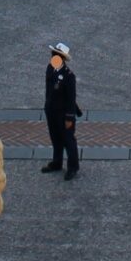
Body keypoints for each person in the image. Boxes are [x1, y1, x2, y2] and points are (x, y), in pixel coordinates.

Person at [43, 43, 82, 180]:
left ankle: (73, 167)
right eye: (53, 54)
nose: (53, 56)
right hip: (51, 111)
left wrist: (70, 118)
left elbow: (71, 99)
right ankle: (57, 162)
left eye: (56, 55)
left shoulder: (69, 76)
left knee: (68, 141)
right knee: (55, 138)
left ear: (62, 58)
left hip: (63, 114)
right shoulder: (50, 68)